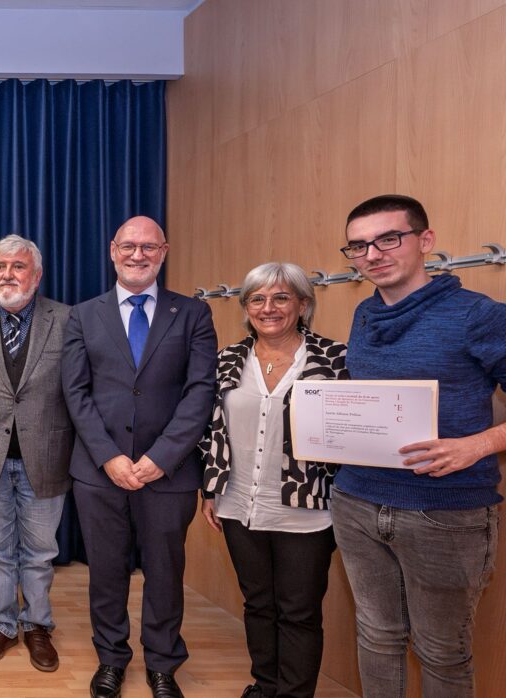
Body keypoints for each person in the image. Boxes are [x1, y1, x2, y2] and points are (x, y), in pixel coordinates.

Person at [330, 194, 505, 698]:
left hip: (444, 510)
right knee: (377, 637)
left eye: (389, 239)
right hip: (357, 502)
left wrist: (477, 445)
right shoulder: (365, 313)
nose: (373, 254)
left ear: (425, 240)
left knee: (442, 651)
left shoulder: (478, 315)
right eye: (359, 246)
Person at [62, 215, 217, 698]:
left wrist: (162, 457)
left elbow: (200, 392)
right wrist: (108, 456)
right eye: (129, 246)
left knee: (165, 574)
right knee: (106, 572)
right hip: (99, 472)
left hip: (168, 475)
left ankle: (163, 665)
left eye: (149, 247)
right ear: (113, 250)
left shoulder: (193, 314)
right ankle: (111, 659)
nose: (138, 255)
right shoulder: (83, 315)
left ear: (163, 252)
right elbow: (75, 392)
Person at [198, 263, 347, 698]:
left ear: (303, 304)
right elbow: (212, 430)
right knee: (258, 605)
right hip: (237, 504)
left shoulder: (334, 359)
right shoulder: (227, 359)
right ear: (246, 307)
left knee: (299, 611)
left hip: (306, 509)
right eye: (258, 299)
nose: (269, 308)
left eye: (281, 297)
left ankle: (294, 694)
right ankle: (265, 686)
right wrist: (210, 488)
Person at [0, 235, 73, 672]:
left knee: (40, 552)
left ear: (36, 276)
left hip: (47, 456)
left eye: (18, 267)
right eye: (0, 267)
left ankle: (37, 625)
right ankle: (3, 625)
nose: (7, 275)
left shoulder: (67, 319)